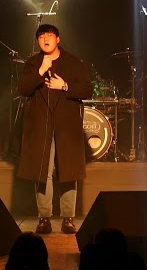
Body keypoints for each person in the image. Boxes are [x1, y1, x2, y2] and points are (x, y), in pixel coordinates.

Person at [17, 23, 94, 234]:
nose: (45, 39)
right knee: (42, 170)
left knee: (68, 170)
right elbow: (23, 89)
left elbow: (88, 89)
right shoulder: (33, 63)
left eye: (49, 35)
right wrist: (40, 71)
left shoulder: (73, 62)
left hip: (67, 125)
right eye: (41, 36)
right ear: (37, 41)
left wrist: (65, 86)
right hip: (41, 124)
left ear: (58, 39)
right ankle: (44, 218)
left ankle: (68, 218)